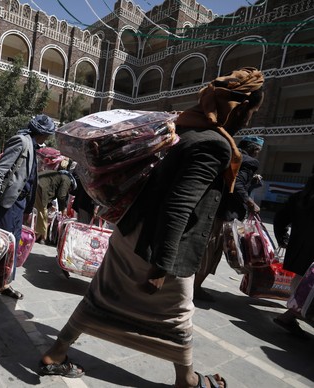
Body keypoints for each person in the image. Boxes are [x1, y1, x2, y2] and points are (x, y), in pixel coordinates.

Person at [39, 67, 264, 388]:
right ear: (237, 108)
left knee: (103, 294)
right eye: (251, 111)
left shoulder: (184, 127)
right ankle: (185, 380)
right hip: (160, 245)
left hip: (131, 232)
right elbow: (180, 204)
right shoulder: (215, 145)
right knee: (178, 315)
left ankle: (56, 352)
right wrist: (161, 266)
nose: (250, 119)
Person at [0, 114, 56, 300]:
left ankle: (1, 279)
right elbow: (0, 171)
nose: (48, 138)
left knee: (12, 244)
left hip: (20, 203)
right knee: (3, 243)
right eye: (47, 134)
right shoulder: (21, 141)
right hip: (8, 202)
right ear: (41, 132)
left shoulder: (33, 145)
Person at [194, 135, 264, 301]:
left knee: (206, 249)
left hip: (214, 208)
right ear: (254, 149)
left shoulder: (232, 156)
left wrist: (252, 182)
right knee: (213, 252)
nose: (258, 154)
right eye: (258, 151)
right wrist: (250, 202)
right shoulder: (249, 162)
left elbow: (233, 182)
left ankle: (193, 285)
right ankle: (195, 288)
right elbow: (238, 185)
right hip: (227, 215)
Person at [272, 175, 314, 338]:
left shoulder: (298, 198)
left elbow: (280, 218)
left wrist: (282, 238)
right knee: (306, 287)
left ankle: (291, 314)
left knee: (299, 281)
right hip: (310, 255)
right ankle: (290, 316)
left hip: (297, 250)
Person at [33, 169, 76, 244]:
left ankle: (39, 235)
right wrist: (64, 209)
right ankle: (41, 237)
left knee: (36, 212)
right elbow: (62, 195)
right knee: (42, 214)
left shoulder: (57, 176)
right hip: (40, 188)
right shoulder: (67, 180)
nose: (68, 191)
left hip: (36, 184)